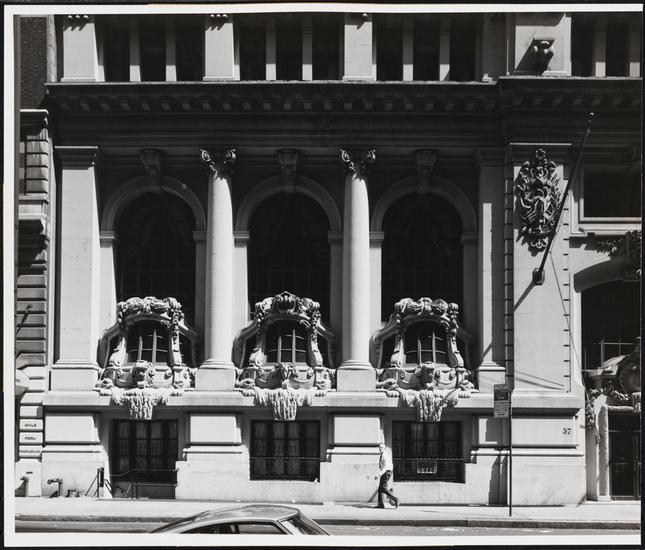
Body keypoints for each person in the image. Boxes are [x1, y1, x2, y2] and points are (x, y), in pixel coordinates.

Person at [376, 443, 399, 509]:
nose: (380, 449)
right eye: (379, 447)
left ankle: (396, 499)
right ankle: (380, 505)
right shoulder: (383, 455)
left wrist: (379, 474)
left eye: (381, 447)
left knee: (383, 488)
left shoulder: (385, 455)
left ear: (384, 448)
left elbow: (386, 467)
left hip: (386, 472)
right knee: (380, 489)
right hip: (386, 472)